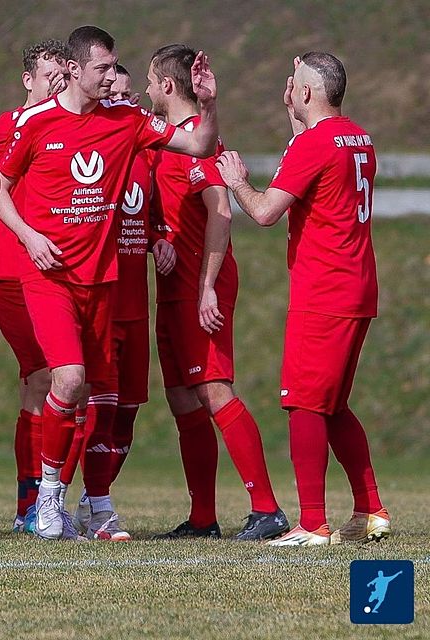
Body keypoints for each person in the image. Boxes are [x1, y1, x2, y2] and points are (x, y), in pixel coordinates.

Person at [0, 25, 219, 541]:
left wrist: (208, 103)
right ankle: (48, 497)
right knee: (69, 379)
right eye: (102, 68)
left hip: (103, 281)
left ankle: (91, 502)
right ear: (74, 70)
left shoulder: (127, 121)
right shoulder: (34, 122)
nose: (112, 76)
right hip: (49, 277)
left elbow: (200, 144)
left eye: (113, 66)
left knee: (99, 396)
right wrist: (29, 236)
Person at [216, 52, 390, 546]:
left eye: (293, 83)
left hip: (324, 290)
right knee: (333, 406)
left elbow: (266, 212)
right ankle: (371, 509)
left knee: (304, 404)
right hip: (357, 285)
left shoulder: (314, 145)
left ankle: (313, 523)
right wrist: (295, 113)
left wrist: (236, 182)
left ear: (308, 92)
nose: (288, 88)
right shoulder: (357, 137)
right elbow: (315, 158)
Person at [144, 44, 287, 541]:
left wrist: (207, 286)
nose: (144, 88)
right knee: (182, 397)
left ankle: (267, 509)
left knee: (213, 388)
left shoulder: (199, 140)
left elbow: (220, 212)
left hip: (200, 284)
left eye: (150, 80)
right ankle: (203, 516)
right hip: (173, 285)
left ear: (166, 86)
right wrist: (157, 238)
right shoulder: (162, 140)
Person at [70, 64, 178, 540]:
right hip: (102, 296)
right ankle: (89, 505)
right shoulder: (93, 150)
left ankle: (90, 501)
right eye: (115, 94)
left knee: (128, 411)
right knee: (99, 406)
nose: (126, 103)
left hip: (137, 301)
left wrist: (160, 237)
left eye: (131, 96)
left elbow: (152, 214)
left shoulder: (146, 153)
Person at [0, 38, 68, 534]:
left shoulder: (71, 124)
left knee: (54, 383)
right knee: (41, 377)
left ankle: (45, 501)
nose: (57, 85)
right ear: (28, 80)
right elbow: (3, 189)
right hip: (13, 267)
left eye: (63, 76)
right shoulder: (12, 123)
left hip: (52, 267)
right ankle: (31, 503)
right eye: (48, 76)